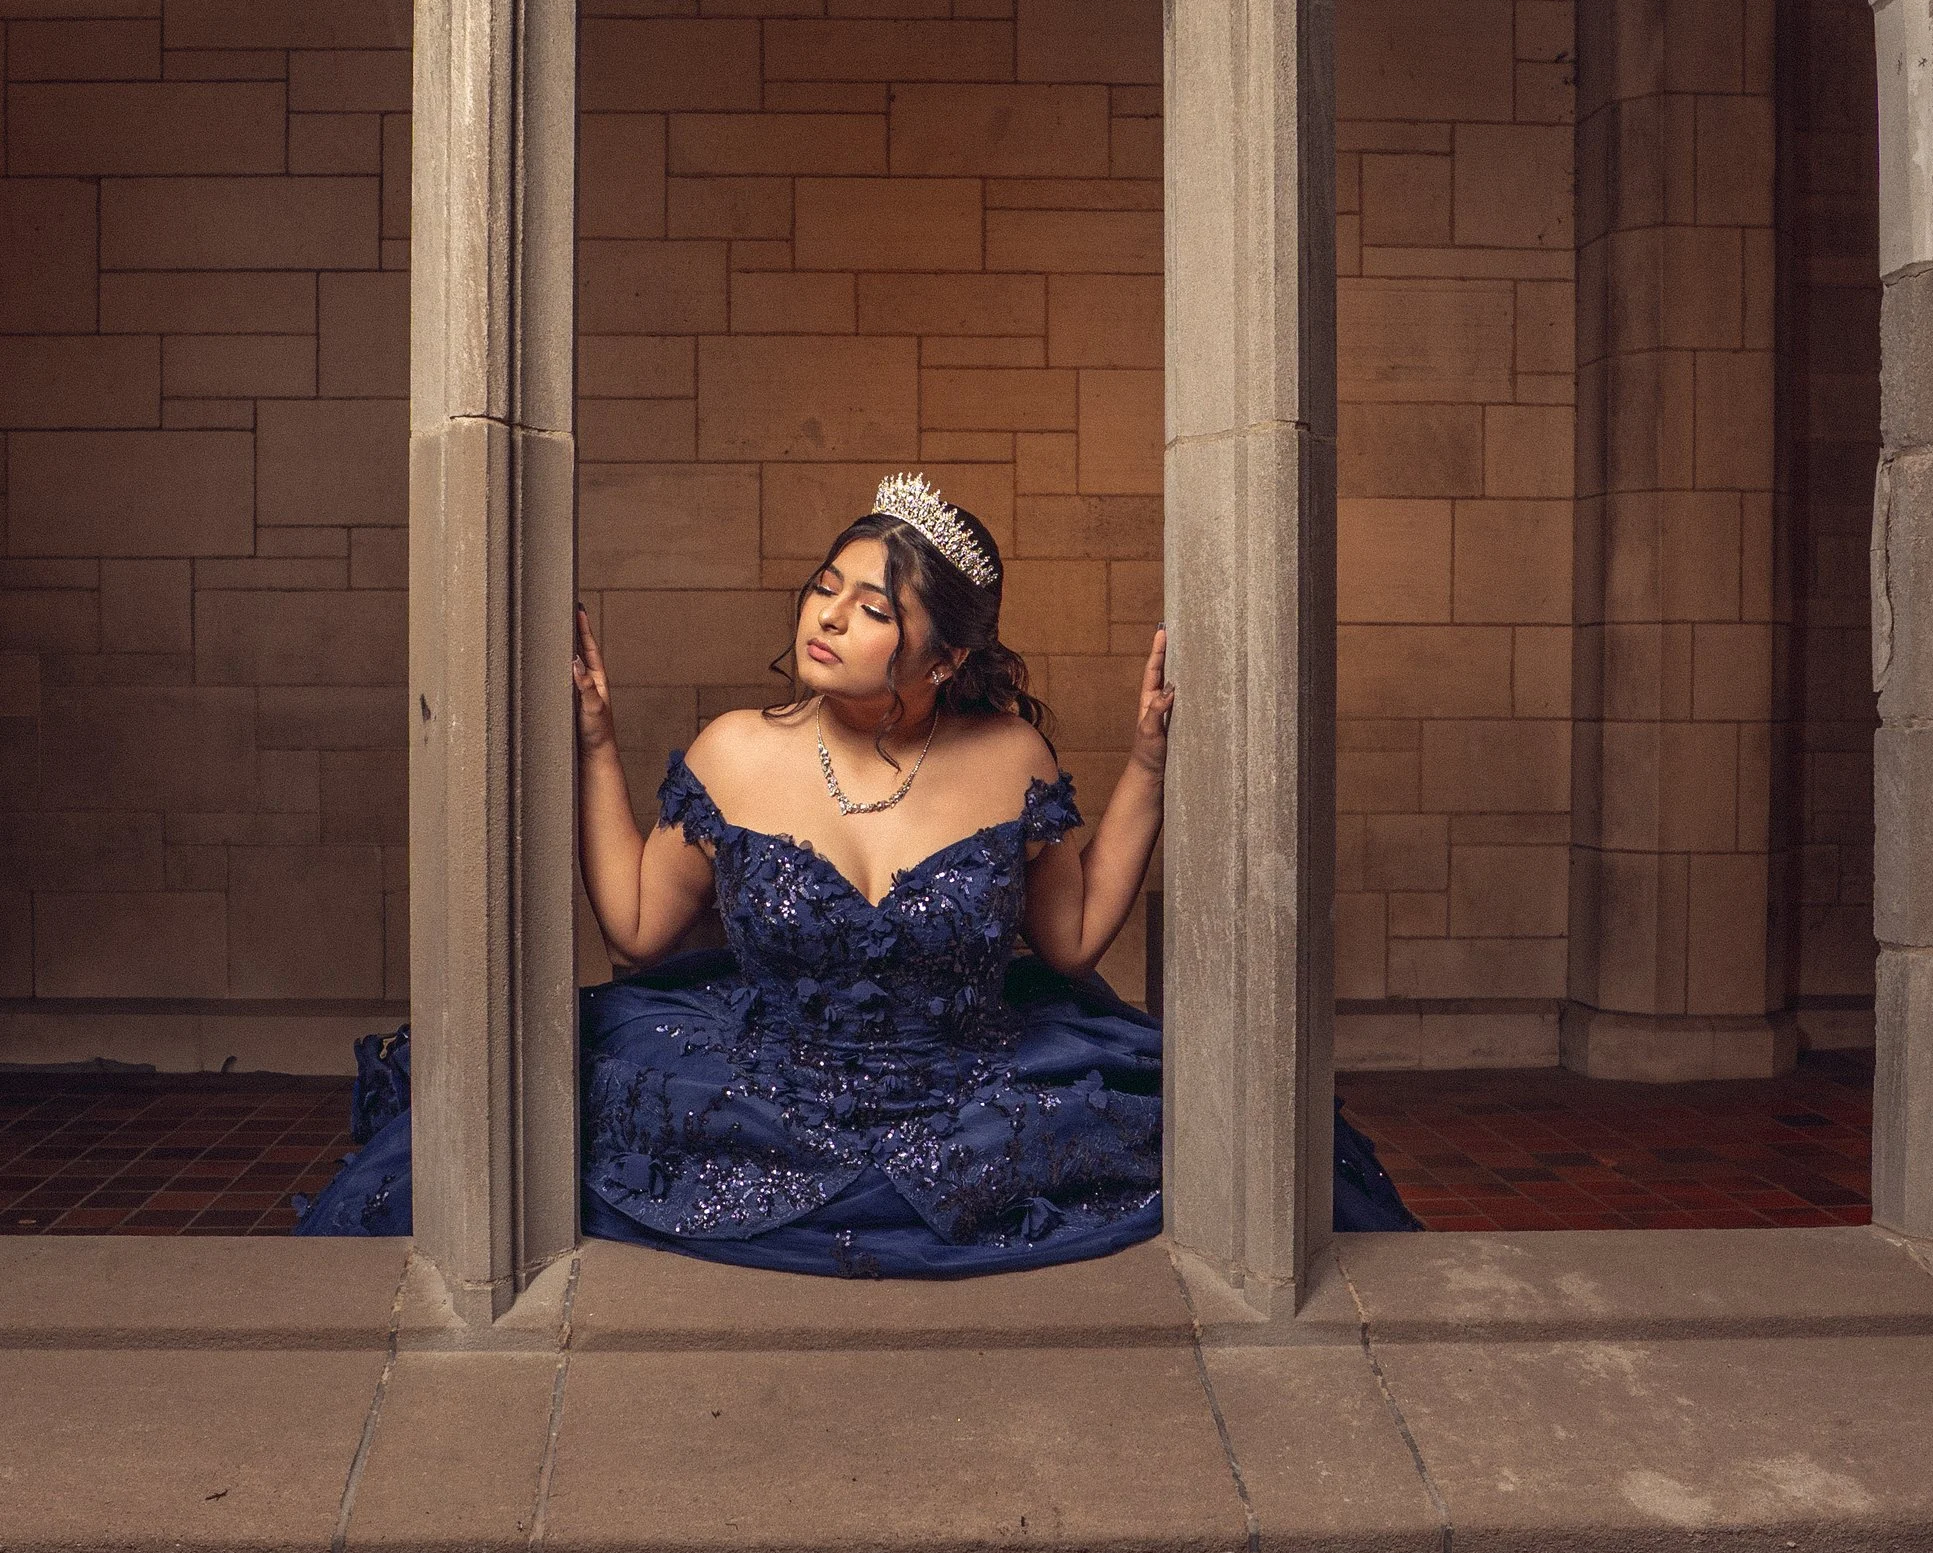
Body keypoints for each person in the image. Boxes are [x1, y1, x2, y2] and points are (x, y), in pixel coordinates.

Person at [299, 469, 1415, 1269]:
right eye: (826, 585)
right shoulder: (734, 747)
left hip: (976, 1084)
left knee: (1248, 1149)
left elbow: (1070, 942)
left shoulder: (1012, 756)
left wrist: (1148, 762)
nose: (827, 615)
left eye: (874, 607)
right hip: (764, 1086)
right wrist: (596, 742)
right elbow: (639, 927)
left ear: (945, 654)